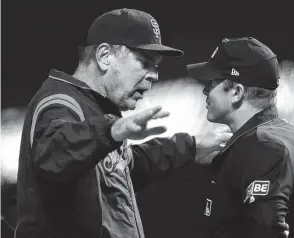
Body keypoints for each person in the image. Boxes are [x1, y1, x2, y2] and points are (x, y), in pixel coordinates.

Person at [15, 9, 232, 238]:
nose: (154, 75)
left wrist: (192, 145)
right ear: (104, 56)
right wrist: (113, 130)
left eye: (156, 66)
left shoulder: (99, 107)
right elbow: (54, 152)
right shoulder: (60, 102)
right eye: (144, 62)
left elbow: (129, 168)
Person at [187, 37, 294, 238]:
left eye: (212, 82)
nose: (205, 90)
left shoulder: (267, 148)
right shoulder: (268, 140)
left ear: (236, 92)